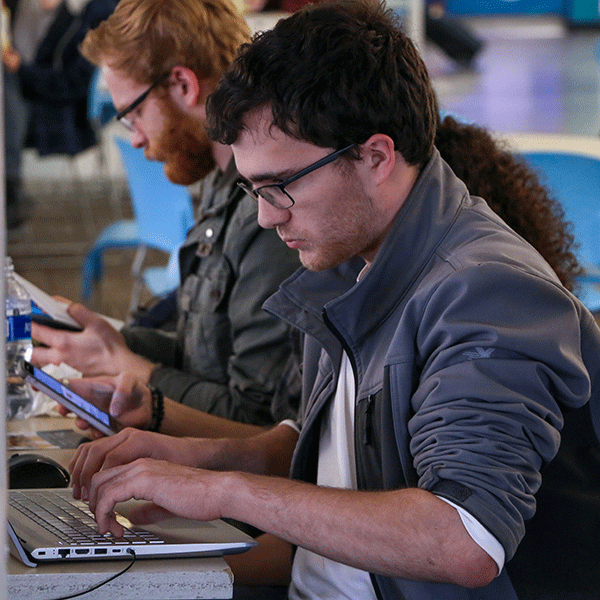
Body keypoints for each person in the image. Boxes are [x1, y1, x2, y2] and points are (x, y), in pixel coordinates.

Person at [64, 1, 600, 598]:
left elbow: (464, 538)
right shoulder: (349, 260)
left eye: (280, 187)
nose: (266, 218)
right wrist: (178, 456)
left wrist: (223, 492)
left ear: (375, 156)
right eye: (252, 189)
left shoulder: (487, 292)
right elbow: (330, 457)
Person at [31, 0, 302, 431]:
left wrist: (131, 369)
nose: (135, 140)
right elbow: (204, 356)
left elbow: (260, 424)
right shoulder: (220, 182)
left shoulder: (267, 214)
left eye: (133, 114)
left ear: (182, 84)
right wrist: (111, 341)